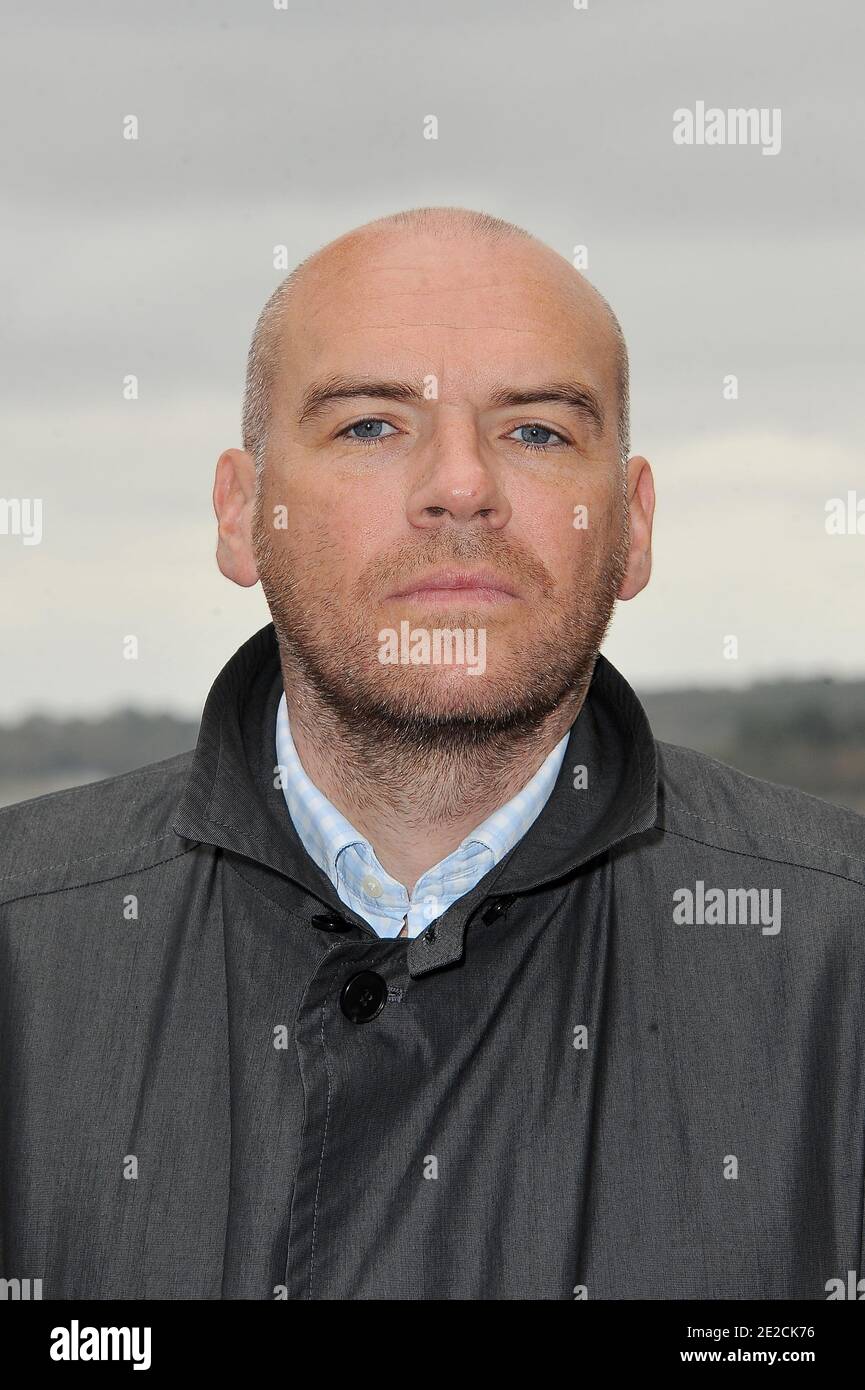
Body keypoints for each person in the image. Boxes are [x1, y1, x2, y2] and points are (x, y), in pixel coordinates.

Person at [1, 206, 863, 1301]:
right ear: (240, 510)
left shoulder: (839, 960)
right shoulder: (21, 948)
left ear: (633, 526)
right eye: (369, 425)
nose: (460, 486)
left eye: (538, 430)